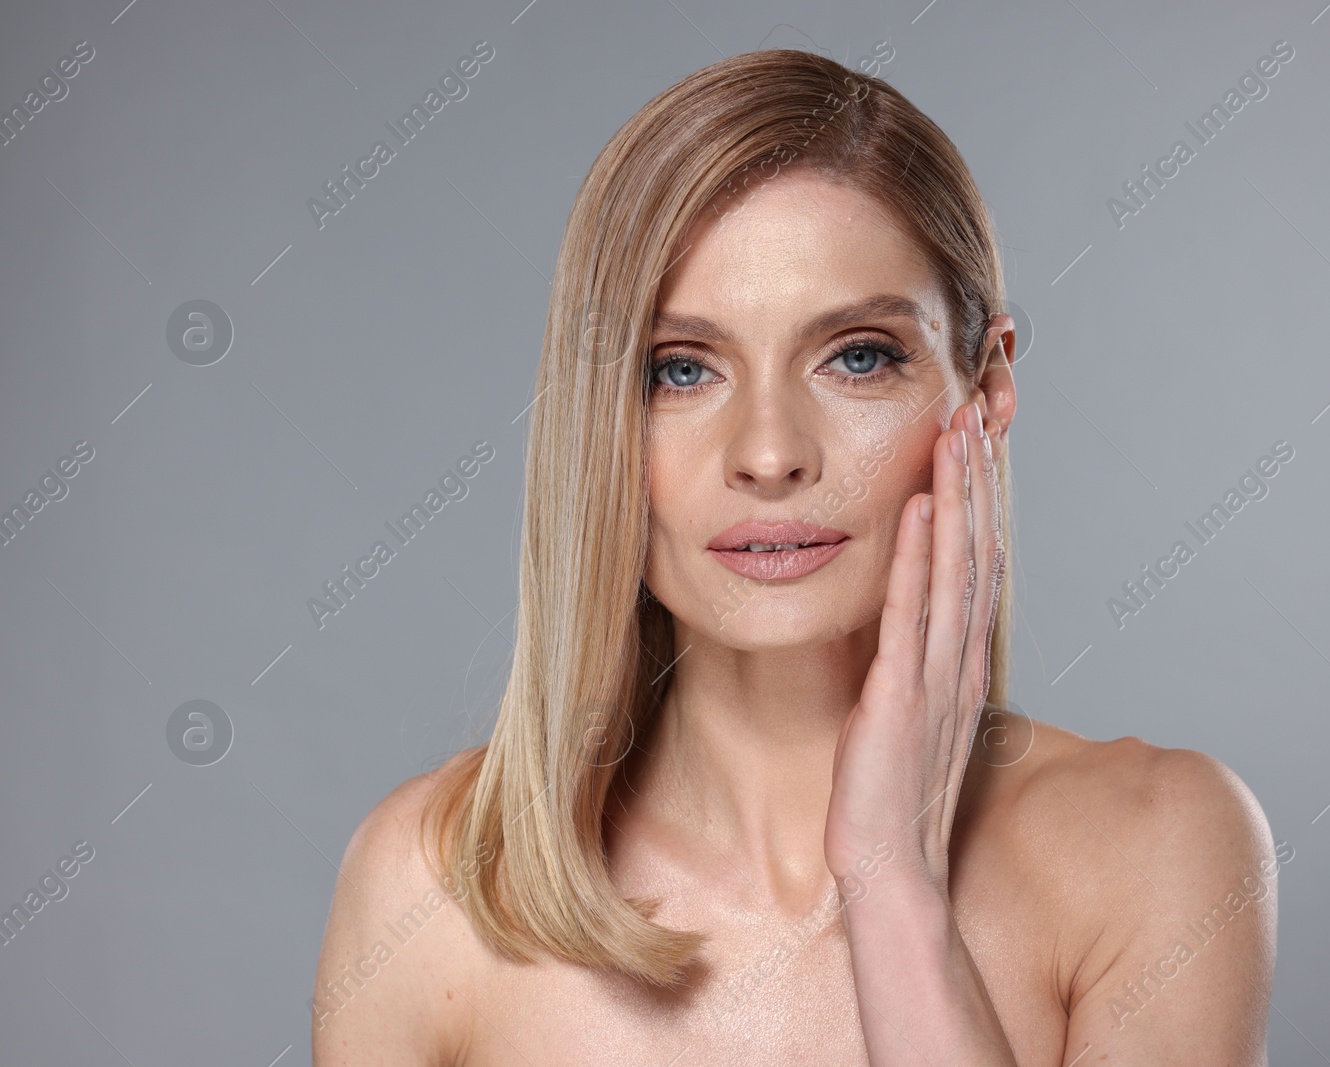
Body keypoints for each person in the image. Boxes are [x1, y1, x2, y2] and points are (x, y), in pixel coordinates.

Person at [311, 47, 1278, 1066]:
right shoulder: (429, 890)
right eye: (679, 369)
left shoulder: (1159, 844)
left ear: (986, 389)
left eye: (857, 354)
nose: (768, 452)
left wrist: (890, 883)